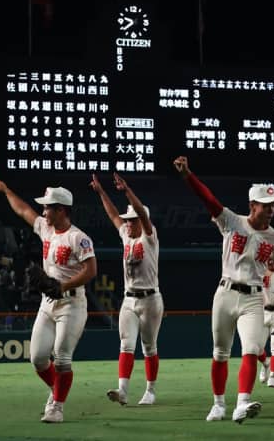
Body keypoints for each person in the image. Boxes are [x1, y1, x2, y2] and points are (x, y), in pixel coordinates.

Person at [174, 156, 274, 424]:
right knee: (220, 353)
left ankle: (243, 403)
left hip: (254, 297)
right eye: (266, 204)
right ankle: (218, 404)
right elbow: (208, 199)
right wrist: (187, 175)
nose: (271, 209)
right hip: (225, 294)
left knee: (251, 349)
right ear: (252, 205)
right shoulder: (231, 221)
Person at [0, 177, 97, 423]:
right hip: (48, 303)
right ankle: (56, 389)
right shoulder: (46, 228)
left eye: (48, 207)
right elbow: (23, 210)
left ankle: (57, 406)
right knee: (38, 358)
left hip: (72, 304)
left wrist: (63, 285)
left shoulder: (78, 238)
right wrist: (7, 190)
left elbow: (91, 271)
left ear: (61, 210)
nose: (43, 211)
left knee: (61, 357)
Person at [90, 173, 163, 407]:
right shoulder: (126, 236)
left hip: (151, 299)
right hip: (129, 300)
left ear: (143, 221)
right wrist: (102, 192)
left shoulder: (149, 238)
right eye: (128, 221)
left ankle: (150, 390)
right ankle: (122, 390)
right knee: (125, 344)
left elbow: (141, 212)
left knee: (149, 347)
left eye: (132, 220)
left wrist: (128, 190)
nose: (128, 223)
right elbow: (113, 214)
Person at [257, 263, 274, 388]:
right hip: (261, 312)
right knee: (256, 347)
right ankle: (265, 364)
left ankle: (273, 376)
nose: (272, 261)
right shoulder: (259, 271)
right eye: (269, 258)